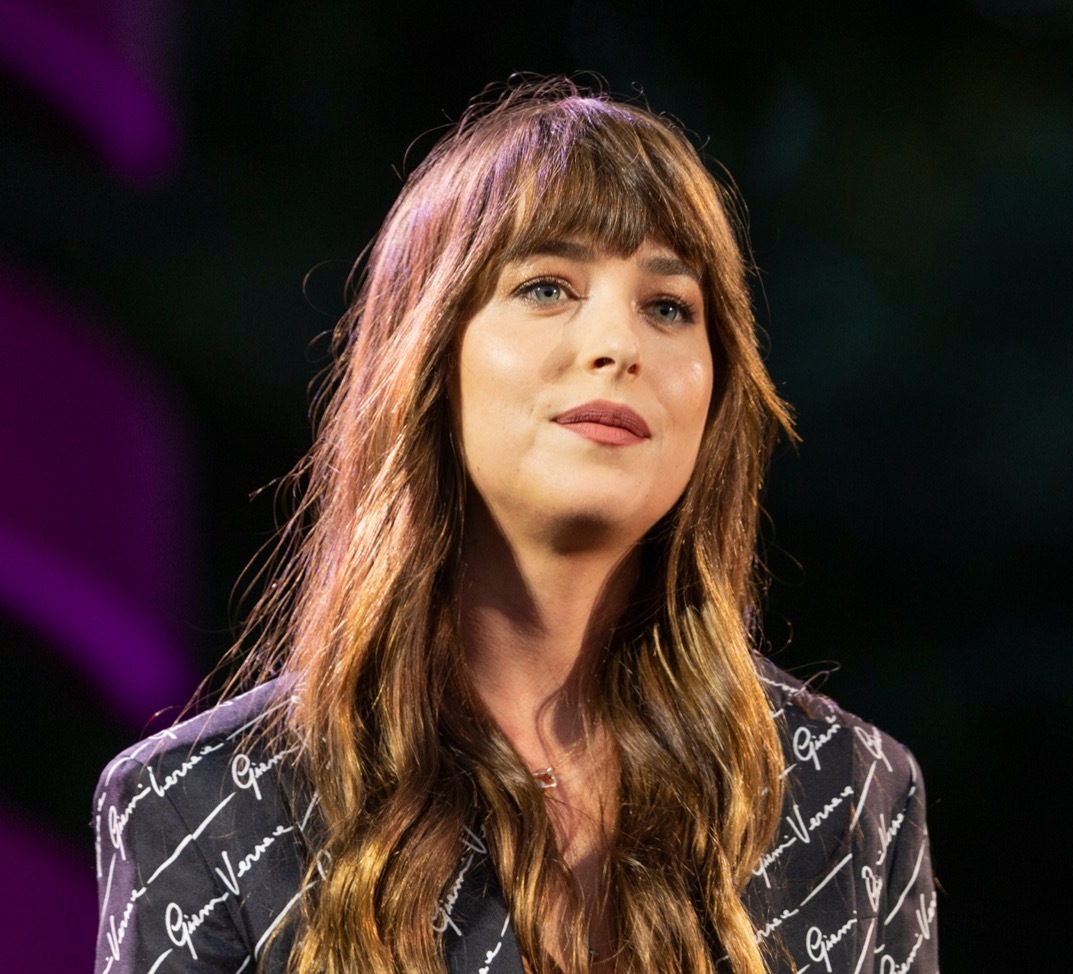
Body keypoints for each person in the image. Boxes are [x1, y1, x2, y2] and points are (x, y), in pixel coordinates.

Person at [93, 78, 938, 974]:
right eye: (546, 286)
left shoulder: (851, 797)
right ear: (425, 359)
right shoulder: (200, 810)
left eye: (668, 306)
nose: (619, 345)